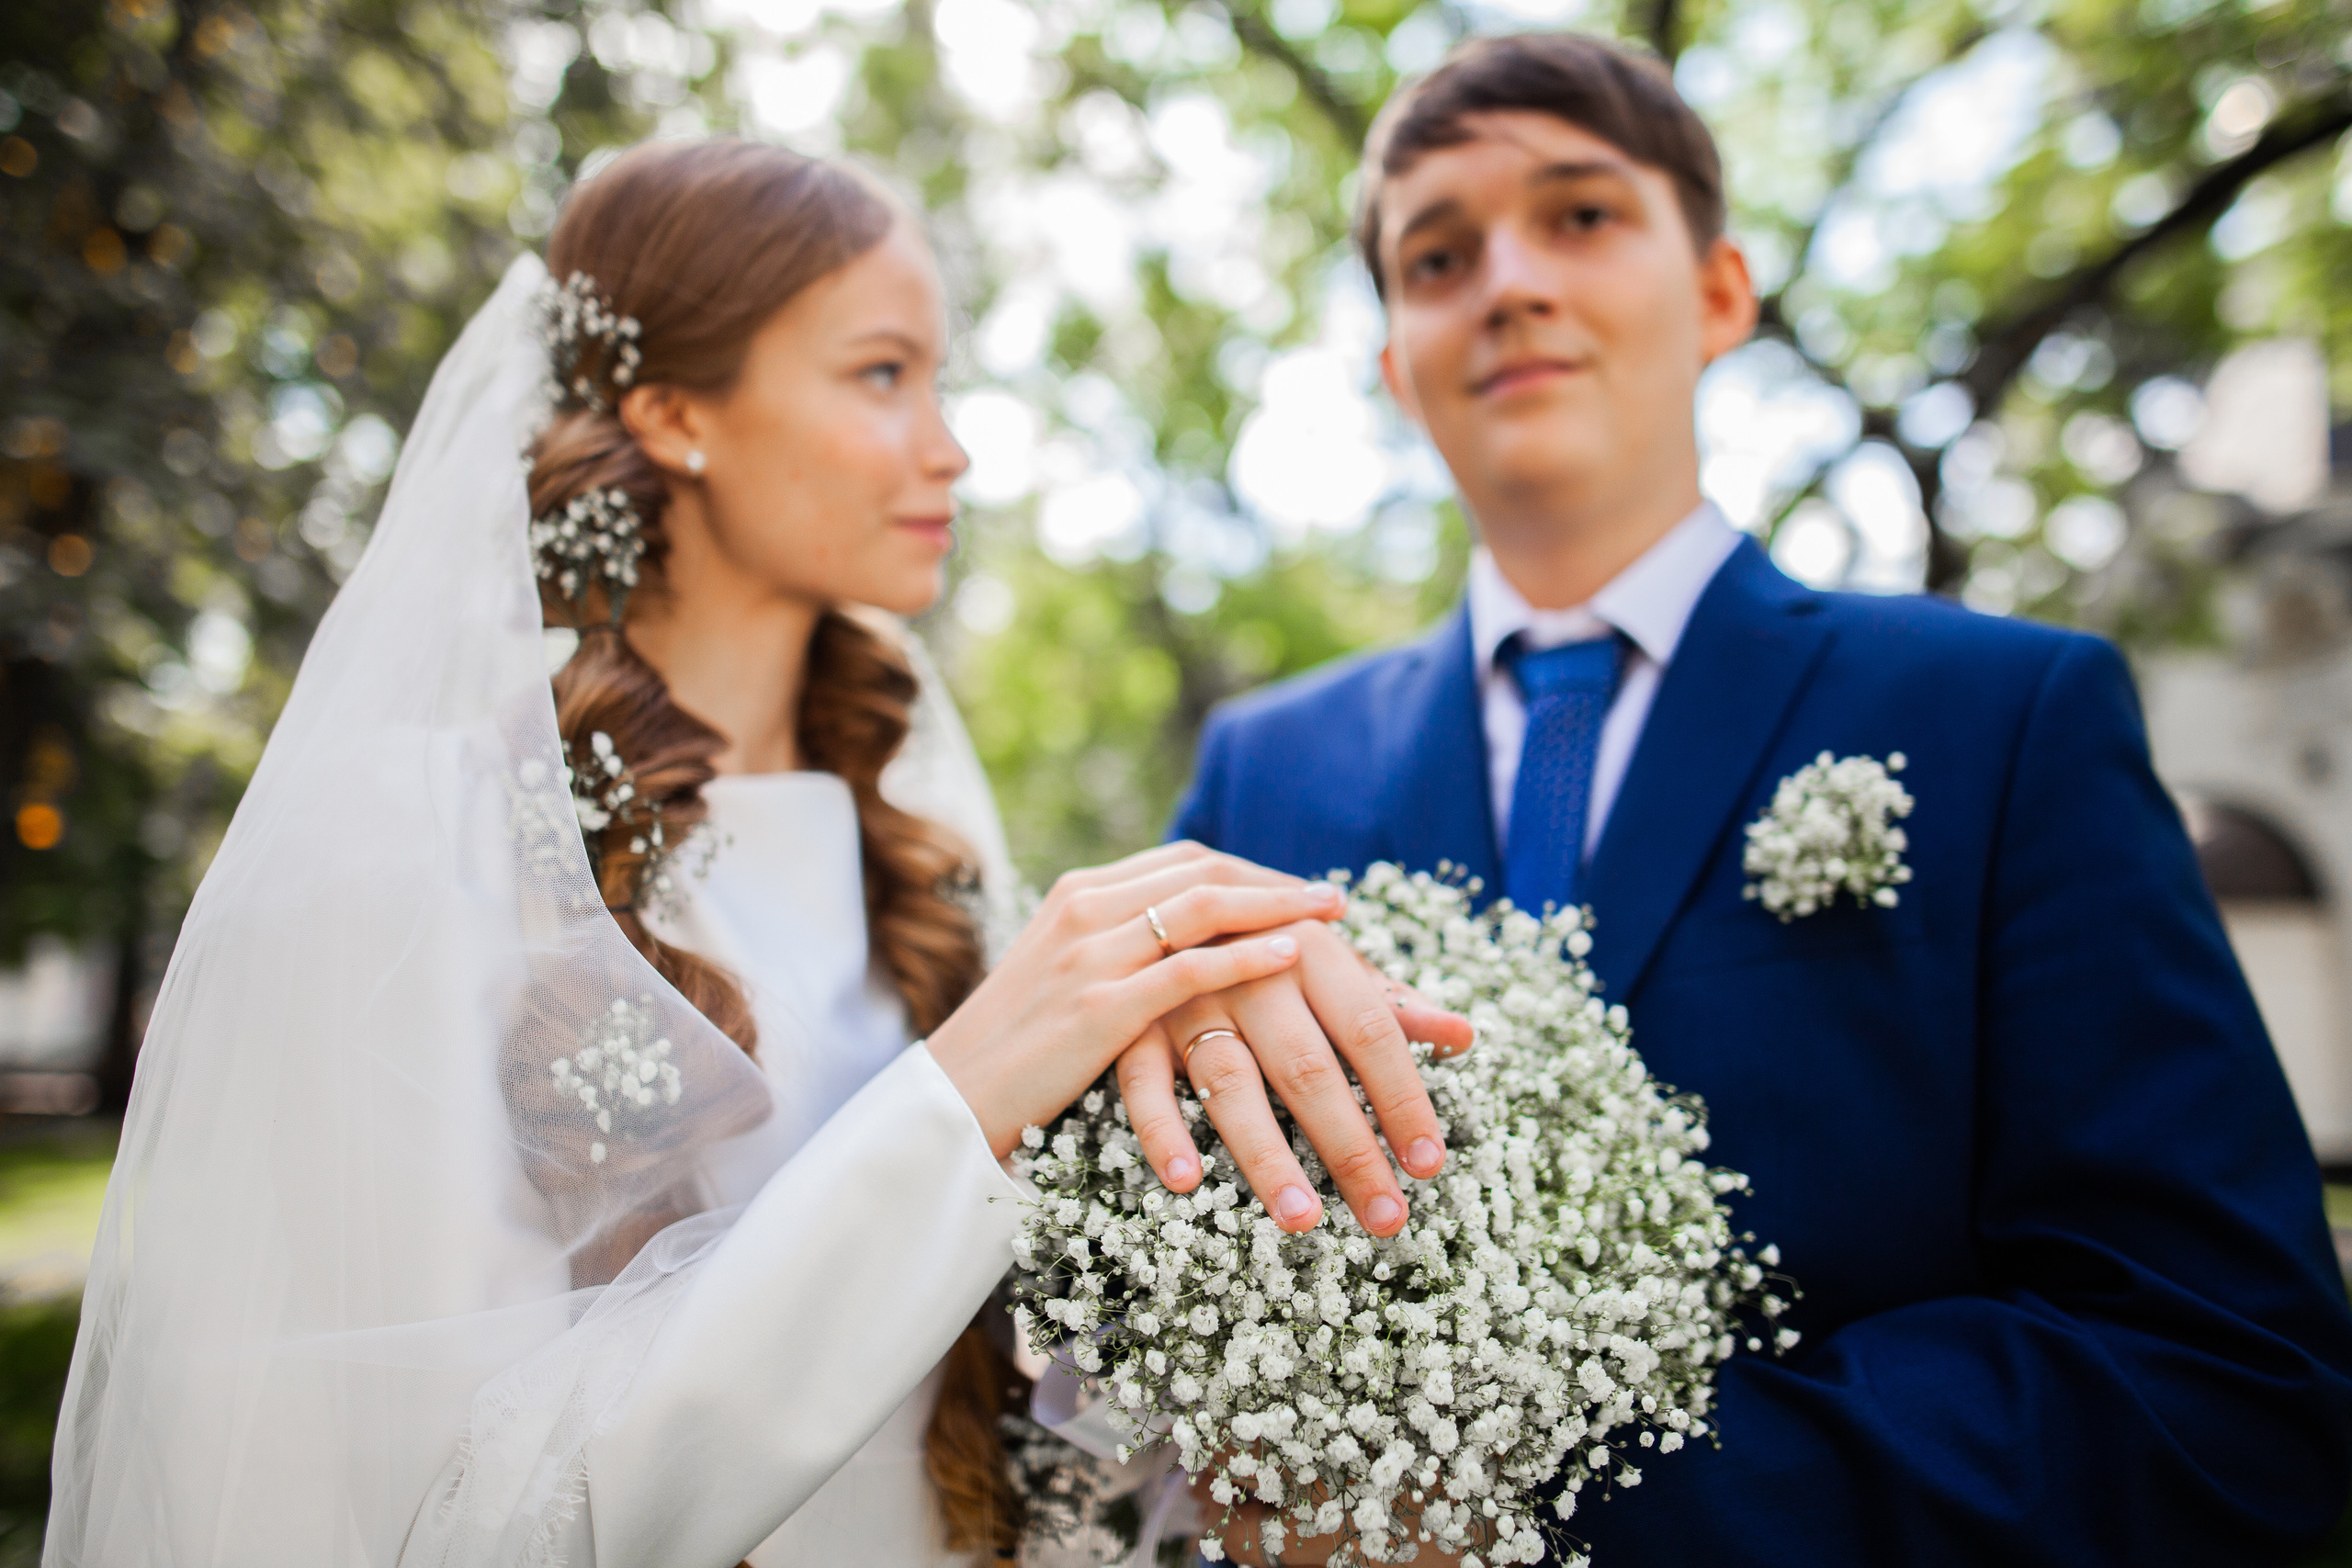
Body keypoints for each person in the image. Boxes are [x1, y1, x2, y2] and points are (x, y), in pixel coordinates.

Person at [43, 141, 1469, 1568]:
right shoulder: (408, 847)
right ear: (674, 414)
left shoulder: (922, 833)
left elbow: (982, 1416)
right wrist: (964, 1095)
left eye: (940, 378)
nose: (951, 446)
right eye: (879, 374)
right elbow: (402, 1513)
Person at [1169, 31, 2352, 1566]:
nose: (1510, 281)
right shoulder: (1263, 774)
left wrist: (1557, 1516)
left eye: (1580, 217)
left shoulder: (2002, 717)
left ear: (1723, 292)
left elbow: (2229, 1365)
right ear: (1397, 362)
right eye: (1438, 255)